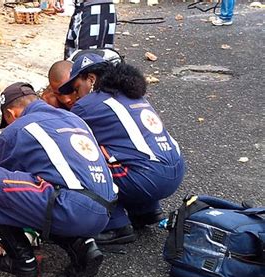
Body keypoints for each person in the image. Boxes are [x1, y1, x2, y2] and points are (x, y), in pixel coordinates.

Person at [0, 82, 118, 277]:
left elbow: (8, 196)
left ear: (11, 114)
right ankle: (81, 245)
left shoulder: (16, 129)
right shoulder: (72, 117)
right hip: (106, 211)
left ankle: (23, 260)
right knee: (53, 188)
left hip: (72, 209)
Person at [58, 53, 185, 244]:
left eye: (77, 89)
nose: (75, 97)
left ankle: (116, 226)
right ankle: (146, 211)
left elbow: (65, 139)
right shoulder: (132, 94)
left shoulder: (86, 105)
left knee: (82, 156)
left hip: (148, 179)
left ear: (91, 79)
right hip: (175, 170)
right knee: (125, 150)